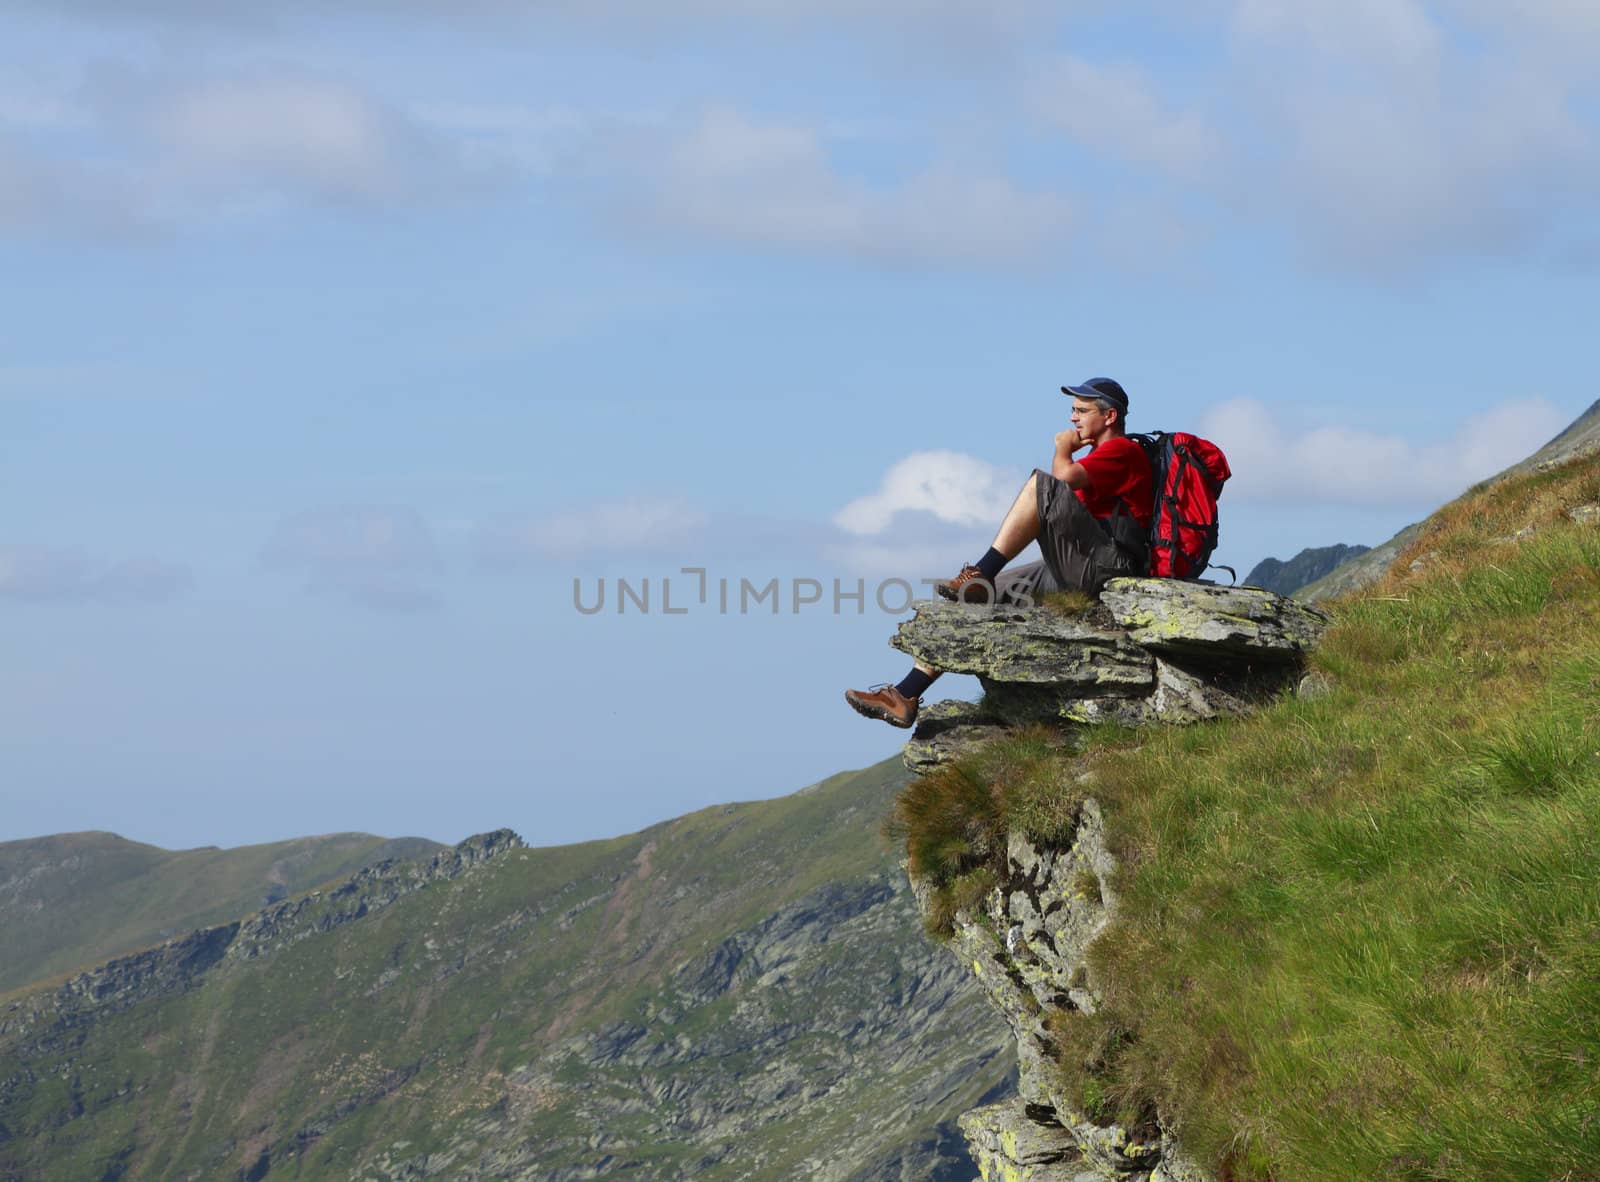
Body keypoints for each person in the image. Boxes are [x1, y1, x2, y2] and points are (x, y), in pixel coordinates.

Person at [845, 377, 1155, 729]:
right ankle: (904, 695)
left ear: (1110, 416)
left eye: (1082, 410)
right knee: (974, 598)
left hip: (1108, 566)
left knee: (1042, 486)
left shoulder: (1122, 451)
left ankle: (982, 570)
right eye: (1072, 410)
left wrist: (1061, 448)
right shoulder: (1101, 459)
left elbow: (1061, 479)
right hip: (1082, 562)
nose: (1073, 419)